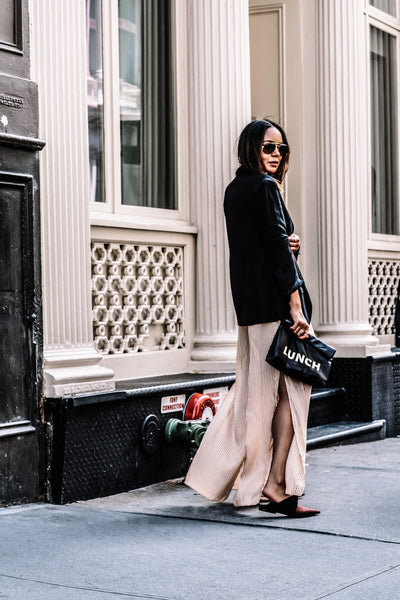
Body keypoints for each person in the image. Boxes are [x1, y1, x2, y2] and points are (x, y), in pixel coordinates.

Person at [185, 119, 320, 518]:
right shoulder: (265, 188)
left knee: (254, 397)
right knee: (292, 394)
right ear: (251, 148)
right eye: (268, 148)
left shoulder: (234, 190)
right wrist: (295, 306)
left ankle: (250, 484)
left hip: (251, 311)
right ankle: (274, 486)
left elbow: (263, 245)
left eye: (281, 148)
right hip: (278, 308)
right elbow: (277, 249)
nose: (276, 155)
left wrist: (287, 243)